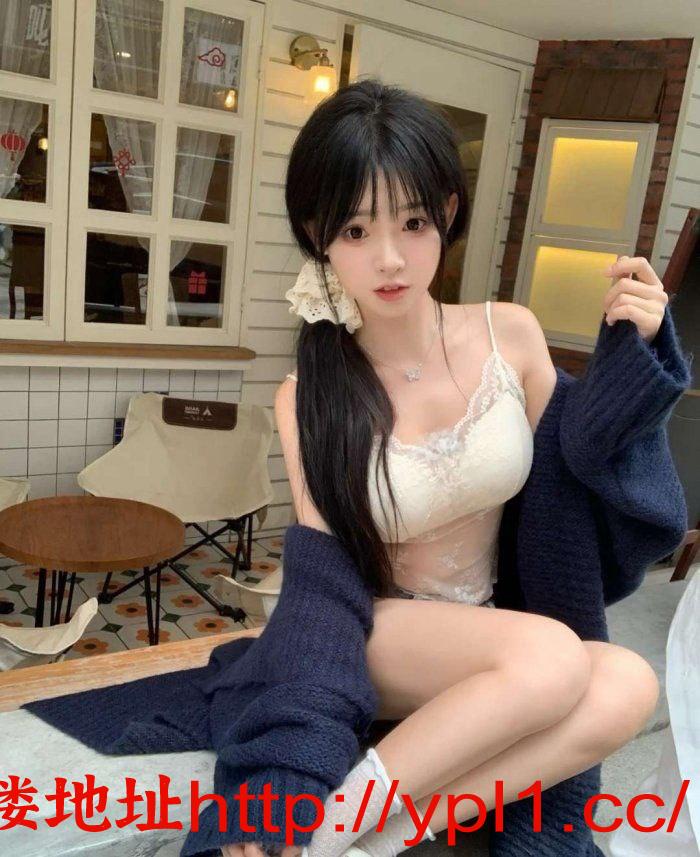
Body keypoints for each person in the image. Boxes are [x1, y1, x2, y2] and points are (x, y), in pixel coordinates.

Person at [221, 78, 673, 857]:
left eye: (413, 222)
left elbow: (584, 462)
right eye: (356, 230)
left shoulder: (510, 335)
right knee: (551, 657)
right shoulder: (309, 395)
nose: (390, 258)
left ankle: (374, 836)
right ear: (319, 235)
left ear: (448, 214)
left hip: (496, 634)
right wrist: (286, 766)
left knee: (628, 680)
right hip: (381, 634)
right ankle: (317, 834)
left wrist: (639, 350)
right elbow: (322, 585)